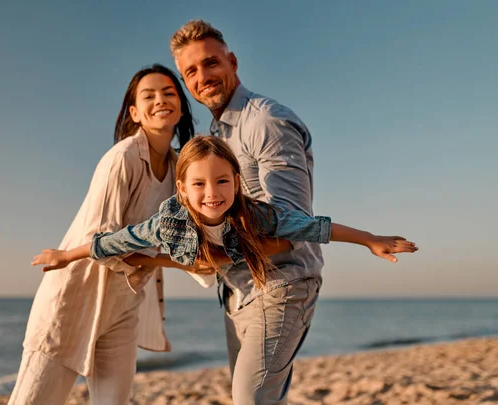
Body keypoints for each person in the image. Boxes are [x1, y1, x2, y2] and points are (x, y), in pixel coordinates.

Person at [167, 19, 414, 404]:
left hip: (282, 284)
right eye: (191, 72)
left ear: (232, 61)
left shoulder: (265, 121)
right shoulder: (216, 137)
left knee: (251, 399)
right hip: (237, 290)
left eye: (211, 63)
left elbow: (292, 225)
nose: (203, 77)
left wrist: (210, 258)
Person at [9, 64, 201, 405]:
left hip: (124, 305)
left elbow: (185, 235)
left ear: (182, 106)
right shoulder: (122, 158)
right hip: (73, 298)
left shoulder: (179, 170)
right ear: (135, 112)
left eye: (170, 93)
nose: (161, 100)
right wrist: (179, 265)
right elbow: (105, 243)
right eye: (149, 95)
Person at [31, 136, 417, 301]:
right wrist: (65, 256)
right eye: (199, 184)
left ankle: (155, 262)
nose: (211, 193)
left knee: (238, 252)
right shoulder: (166, 223)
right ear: (182, 189)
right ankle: (150, 263)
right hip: (191, 254)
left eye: (221, 181)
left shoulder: (259, 215)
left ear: (236, 181)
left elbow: (315, 226)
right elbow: (114, 240)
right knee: (160, 257)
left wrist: (369, 238)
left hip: (234, 250)